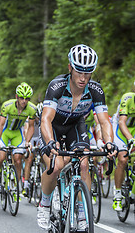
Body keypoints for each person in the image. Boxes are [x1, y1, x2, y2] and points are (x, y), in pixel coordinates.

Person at [37, 44, 117, 231]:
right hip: (53, 127)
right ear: (70, 68)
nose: (83, 78)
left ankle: (83, 213)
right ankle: (45, 204)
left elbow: (105, 122)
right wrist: (49, 142)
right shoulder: (57, 86)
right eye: (79, 72)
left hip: (75, 126)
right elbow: (46, 119)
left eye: (88, 73)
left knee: (83, 164)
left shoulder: (96, 90)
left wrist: (109, 142)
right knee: (55, 166)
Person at [0, 82, 37, 193]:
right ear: (16, 97)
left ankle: (16, 184)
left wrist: (27, 141)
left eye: (27, 98)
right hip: (5, 132)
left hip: (17, 134)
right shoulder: (7, 106)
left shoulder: (32, 109)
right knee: (0, 157)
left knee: (18, 159)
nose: (24, 101)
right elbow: (0, 125)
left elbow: (31, 127)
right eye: (22, 98)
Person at [112, 87, 135, 211]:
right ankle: (117, 195)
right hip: (120, 130)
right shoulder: (128, 98)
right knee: (123, 159)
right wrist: (130, 139)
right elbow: (122, 122)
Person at [22, 102, 43, 197]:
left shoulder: (45, 119)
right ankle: (26, 184)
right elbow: (26, 130)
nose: (38, 119)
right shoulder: (30, 118)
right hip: (31, 138)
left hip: (40, 138)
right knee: (29, 159)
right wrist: (28, 142)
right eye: (38, 117)